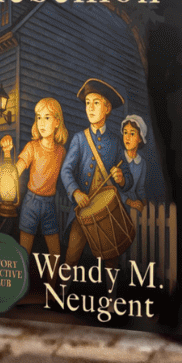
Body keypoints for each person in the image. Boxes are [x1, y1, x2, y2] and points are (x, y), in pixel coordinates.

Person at [58, 78, 126, 265]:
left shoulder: (115, 142)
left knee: (111, 262)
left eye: (96, 103)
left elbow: (127, 176)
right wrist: (76, 192)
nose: (90, 108)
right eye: (88, 103)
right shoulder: (79, 139)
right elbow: (66, 170)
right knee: (71, 257)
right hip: (83, 212)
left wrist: (121, 178)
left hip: (107, 212)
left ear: (107, 108)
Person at [14, 99, 67, 257]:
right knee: (24, 250)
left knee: (55, 253)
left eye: (47, 117)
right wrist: (10, 174)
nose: (41, 123)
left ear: (57, 122)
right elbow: (18, 168)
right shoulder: (32, 147)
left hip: (50, 204)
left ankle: (52, 275)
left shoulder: (61, 152)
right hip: (31, 202)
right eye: (38, 117)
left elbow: (68, 173)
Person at [119, 114, 149, 215]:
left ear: (140, 138)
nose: (127, 137)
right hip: (119, 202)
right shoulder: (118, 157)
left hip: (134, 206)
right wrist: (129, 202)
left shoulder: (142, 163)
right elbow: (113, 188)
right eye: (125, 132)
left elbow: (140, 189)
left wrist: (145, 204)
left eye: (132, 134)